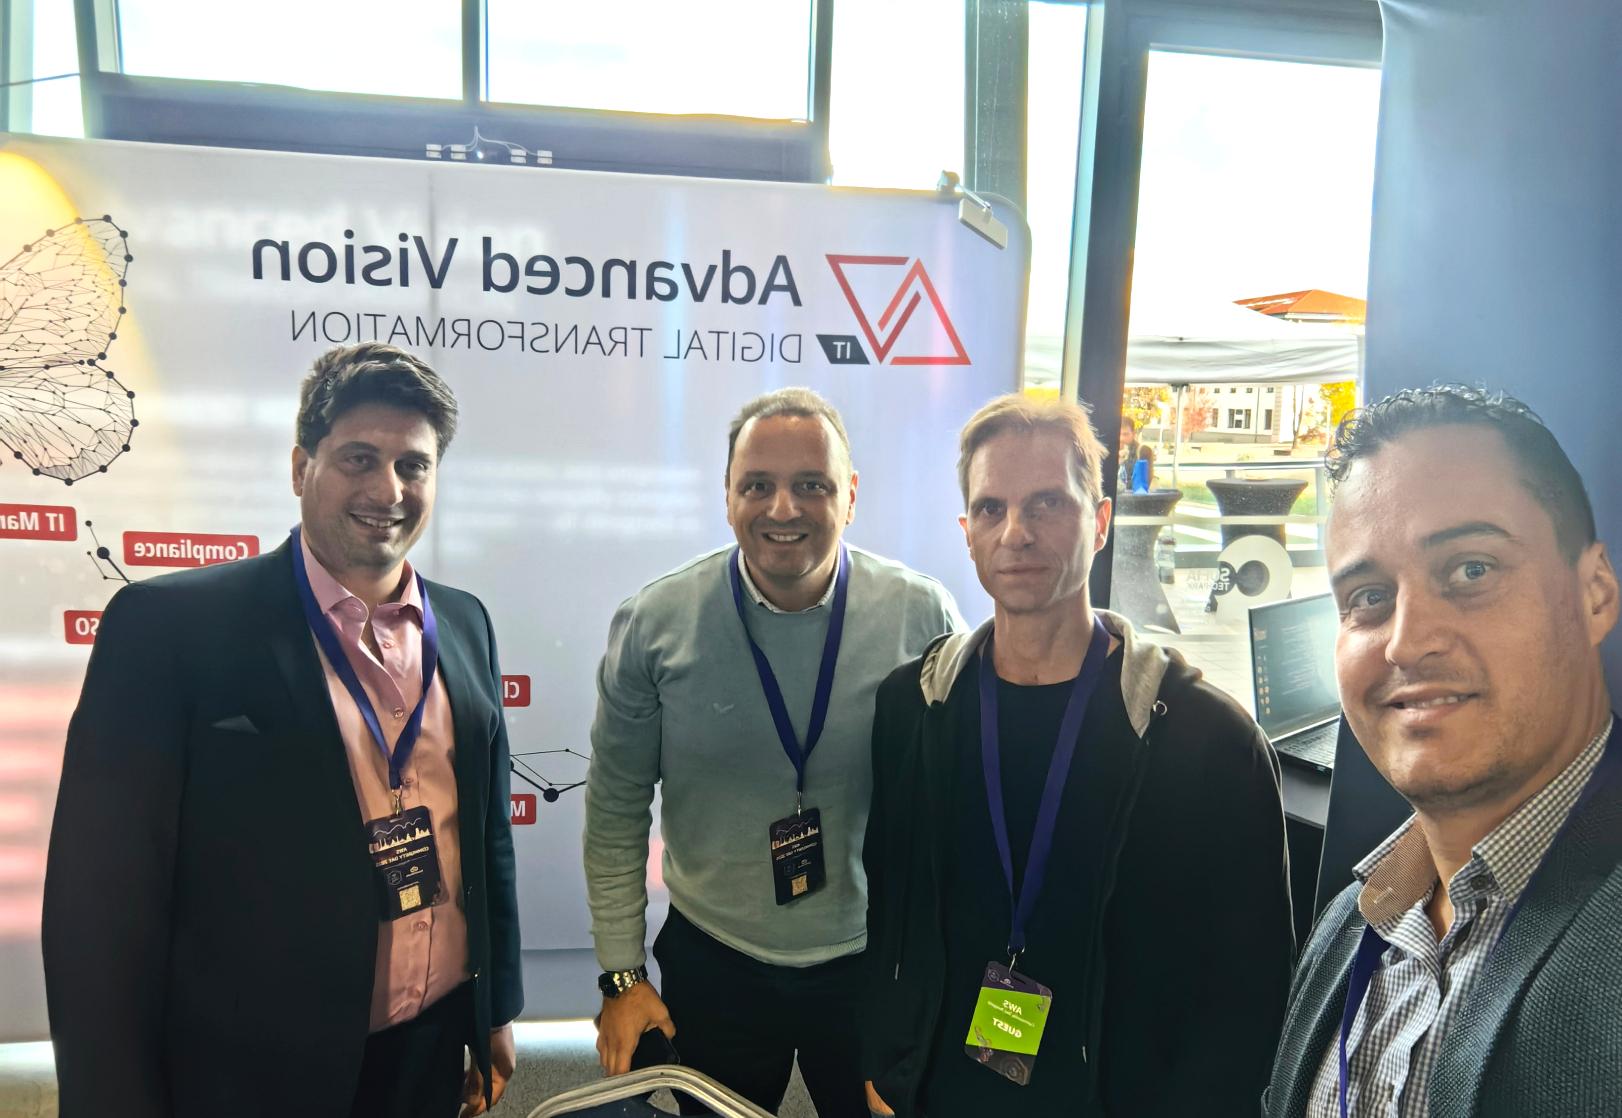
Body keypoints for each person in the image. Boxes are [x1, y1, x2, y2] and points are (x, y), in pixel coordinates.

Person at [42, 343, 523, 1118]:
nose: (388, 489)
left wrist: (494, 1010)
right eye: (359, 458)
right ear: (301, 468)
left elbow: (487, 837)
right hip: (251, 1073)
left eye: (413, 466)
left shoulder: (466, 623)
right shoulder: (168, 628)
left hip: (429, 1053)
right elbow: (97, 907)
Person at [863, 393, 1294, 1118]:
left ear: (1100, 522)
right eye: (992, 508)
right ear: (967, 533)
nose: (1016, 532)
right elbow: (890, 904)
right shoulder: (913, 707)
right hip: (939, 1092)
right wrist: (885, 1062)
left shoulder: (1210, 742)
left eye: (1047, 504)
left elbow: (1248, 994)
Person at [584, 387, 962, 1117]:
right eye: (757, 485)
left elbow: (953, 815)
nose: (783, 508)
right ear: (728, 496)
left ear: (850, 496)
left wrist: (933, 980)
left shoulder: (922, 617)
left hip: (869, 963)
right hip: (716, 962)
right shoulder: (655, 623)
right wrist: (622, 977)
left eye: (812, 485)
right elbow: (616, 808)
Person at [1263, 385, 1620, 1118]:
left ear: (1594, 593)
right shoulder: (1352, 924)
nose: (1406, 641)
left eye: (1471, 570)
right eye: (1368, 596)